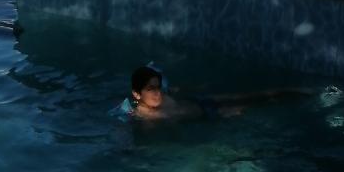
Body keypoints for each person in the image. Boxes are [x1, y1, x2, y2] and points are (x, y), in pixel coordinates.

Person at [116, 64, 313, 122]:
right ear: (137, 94)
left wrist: (195, 88)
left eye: (157, 87)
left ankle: (296, 91)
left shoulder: (160, 96)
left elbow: (175, 90)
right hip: (210, 114)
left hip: (200, 101)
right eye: (150, 89)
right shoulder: (146, 117)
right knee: (254, 105)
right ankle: (294, 99)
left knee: (246, 95)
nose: (157, 92)